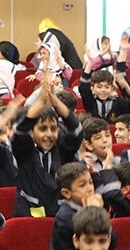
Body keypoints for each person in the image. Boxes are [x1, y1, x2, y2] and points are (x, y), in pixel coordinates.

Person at [11, 77, 83, 217]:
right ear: (31, 133)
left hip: (60, 214)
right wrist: (41, 100)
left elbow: (77, 131)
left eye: (53, 129)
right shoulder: (24, 151)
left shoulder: (63, 149)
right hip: (28, 214)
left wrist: (55, 101)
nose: (49, 134)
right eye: (43, 129)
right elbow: (20, 130)